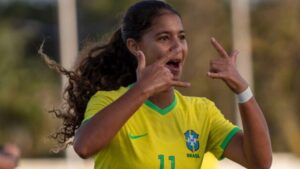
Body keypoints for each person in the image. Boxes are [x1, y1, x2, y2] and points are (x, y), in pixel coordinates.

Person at [40, 0, 272, 168]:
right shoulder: (108, 101)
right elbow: (84, 147)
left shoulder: (202, 112)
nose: (177, 47)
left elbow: (260, 162)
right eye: (164, 38)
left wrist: (243, 91)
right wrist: (142, 89)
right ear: (134, 46)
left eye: (181, 37)